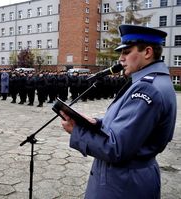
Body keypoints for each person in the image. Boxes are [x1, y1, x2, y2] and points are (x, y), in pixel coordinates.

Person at [60, 24, 177, 199]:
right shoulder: (152, 81)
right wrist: (97, 122)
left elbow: (116, 149)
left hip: (123, 184)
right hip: (130, 179)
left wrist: (77, 131)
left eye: (127, 52)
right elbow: (127, 125)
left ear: (147, 52)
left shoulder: (146, 89)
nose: (121, 59)